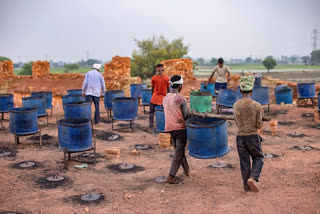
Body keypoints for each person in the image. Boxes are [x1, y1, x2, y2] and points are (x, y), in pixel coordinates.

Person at [233, 76, 264, 192]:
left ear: (240, 91)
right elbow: (259, 125)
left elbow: (236, 122)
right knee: (258, 157)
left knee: (244, 162)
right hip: (252, 136)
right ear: (251, 91)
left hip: (240, 137)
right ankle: (253, 177)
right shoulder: (257, 106)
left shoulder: (236, 105)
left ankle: (246, 186)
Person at [163, 75, 190, 184]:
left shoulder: (165, 97)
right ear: (180, 86)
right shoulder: (181, 99)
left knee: (179, 149)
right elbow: (186, 115)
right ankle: (171, 175)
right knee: (179, 151)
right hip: (180, 128)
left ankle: (186, 170)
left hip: (170, 127)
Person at [149, 63, 170, 130]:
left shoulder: (153, 78)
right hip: (163, 98)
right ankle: (164, 125)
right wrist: (168, 97)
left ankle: (151, 126)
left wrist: (152, 95)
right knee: (165, 112)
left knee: (151, 112)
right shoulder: (166, 78)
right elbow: (168, 89)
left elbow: (152, 88)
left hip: (154, 98)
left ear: (156, 69)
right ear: (163, 69)